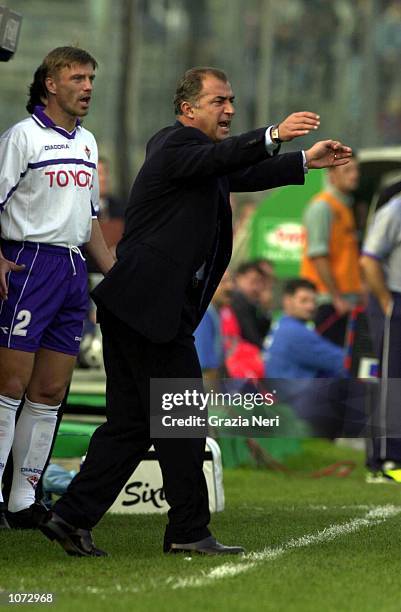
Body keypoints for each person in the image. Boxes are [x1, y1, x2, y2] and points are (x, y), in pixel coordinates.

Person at [39, 66, 352, 557]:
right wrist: (272, 133)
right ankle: (187, 529)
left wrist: (304, 161)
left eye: (232, 101)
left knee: (134, 424)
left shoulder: (201, 159)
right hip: (148, 312)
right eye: (219, 101)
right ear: (188, 110)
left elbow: (242, 170)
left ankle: (71, 516)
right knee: (181, 421)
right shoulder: (173, 144)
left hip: (137, 308)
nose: (229, 109)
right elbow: (231, 157)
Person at [0, 47, 115, 529]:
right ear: (50, 83)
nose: (87, 86)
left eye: (91, 77)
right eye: (77, 77)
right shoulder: (20, 138)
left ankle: (24, 500)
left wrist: (116, 274)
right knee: (10, 383)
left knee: (50, 388)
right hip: (28, 262)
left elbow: (89, 223)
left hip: (71, 270)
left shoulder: (88, 143)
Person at [265, 278, 346, 437]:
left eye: (313, 301)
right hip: (296, 405)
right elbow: (344, 361)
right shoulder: (296, 332)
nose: (310, 306)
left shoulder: (282, 324)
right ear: (287, 301)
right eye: (304, 301)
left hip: (284, 398)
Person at [360, 185, 401, 482]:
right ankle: (389, 459)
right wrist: (387, 301)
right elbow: (369, 258)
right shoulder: (395, 210)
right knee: (392, 379)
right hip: (394, 298)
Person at [300, 156, 362, 346]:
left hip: (344, 300)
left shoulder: (344, 206)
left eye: (356, 170)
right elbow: (318, 255)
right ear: (332, 175)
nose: (355, 175)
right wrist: (336, 297)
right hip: (329, 302)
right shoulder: (323, 207)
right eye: (347, 170)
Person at [194, 271, 233, 385]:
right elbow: (206, 370)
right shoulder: (204, 316)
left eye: (231, 281)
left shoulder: (215, 313)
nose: (230, 287)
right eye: (223, 282)